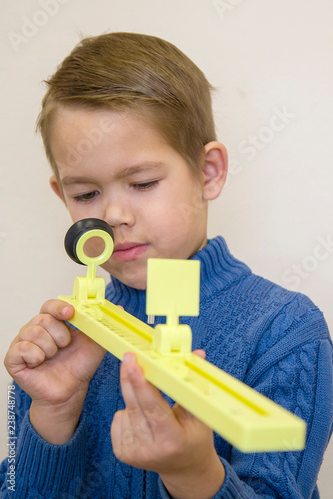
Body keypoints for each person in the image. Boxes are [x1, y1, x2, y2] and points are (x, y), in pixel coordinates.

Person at [1, 32, 332, 499]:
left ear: (208, 172)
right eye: (86, 194)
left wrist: (194, 473)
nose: (115, 215)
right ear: (62, 195)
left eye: (142, 182)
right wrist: (53, 414)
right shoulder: (66, 341)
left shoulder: (285, 329)